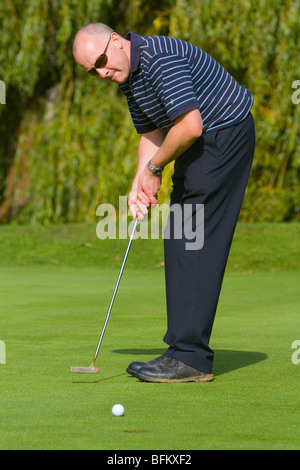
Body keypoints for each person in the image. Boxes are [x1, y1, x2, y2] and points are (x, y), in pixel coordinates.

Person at [73, 23, 255, 383]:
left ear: (115, 42)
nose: (103, 72)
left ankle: (191, 358)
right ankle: (183, 352)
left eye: (103, 61)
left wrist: (155, 169)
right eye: (93, 71)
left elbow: (190, 125)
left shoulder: (158, 59)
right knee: (180, 235)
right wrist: (139, 184)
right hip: (204, 141)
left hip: (225, 133)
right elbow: (153, 134)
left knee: (193, 239)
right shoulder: (130, 79)